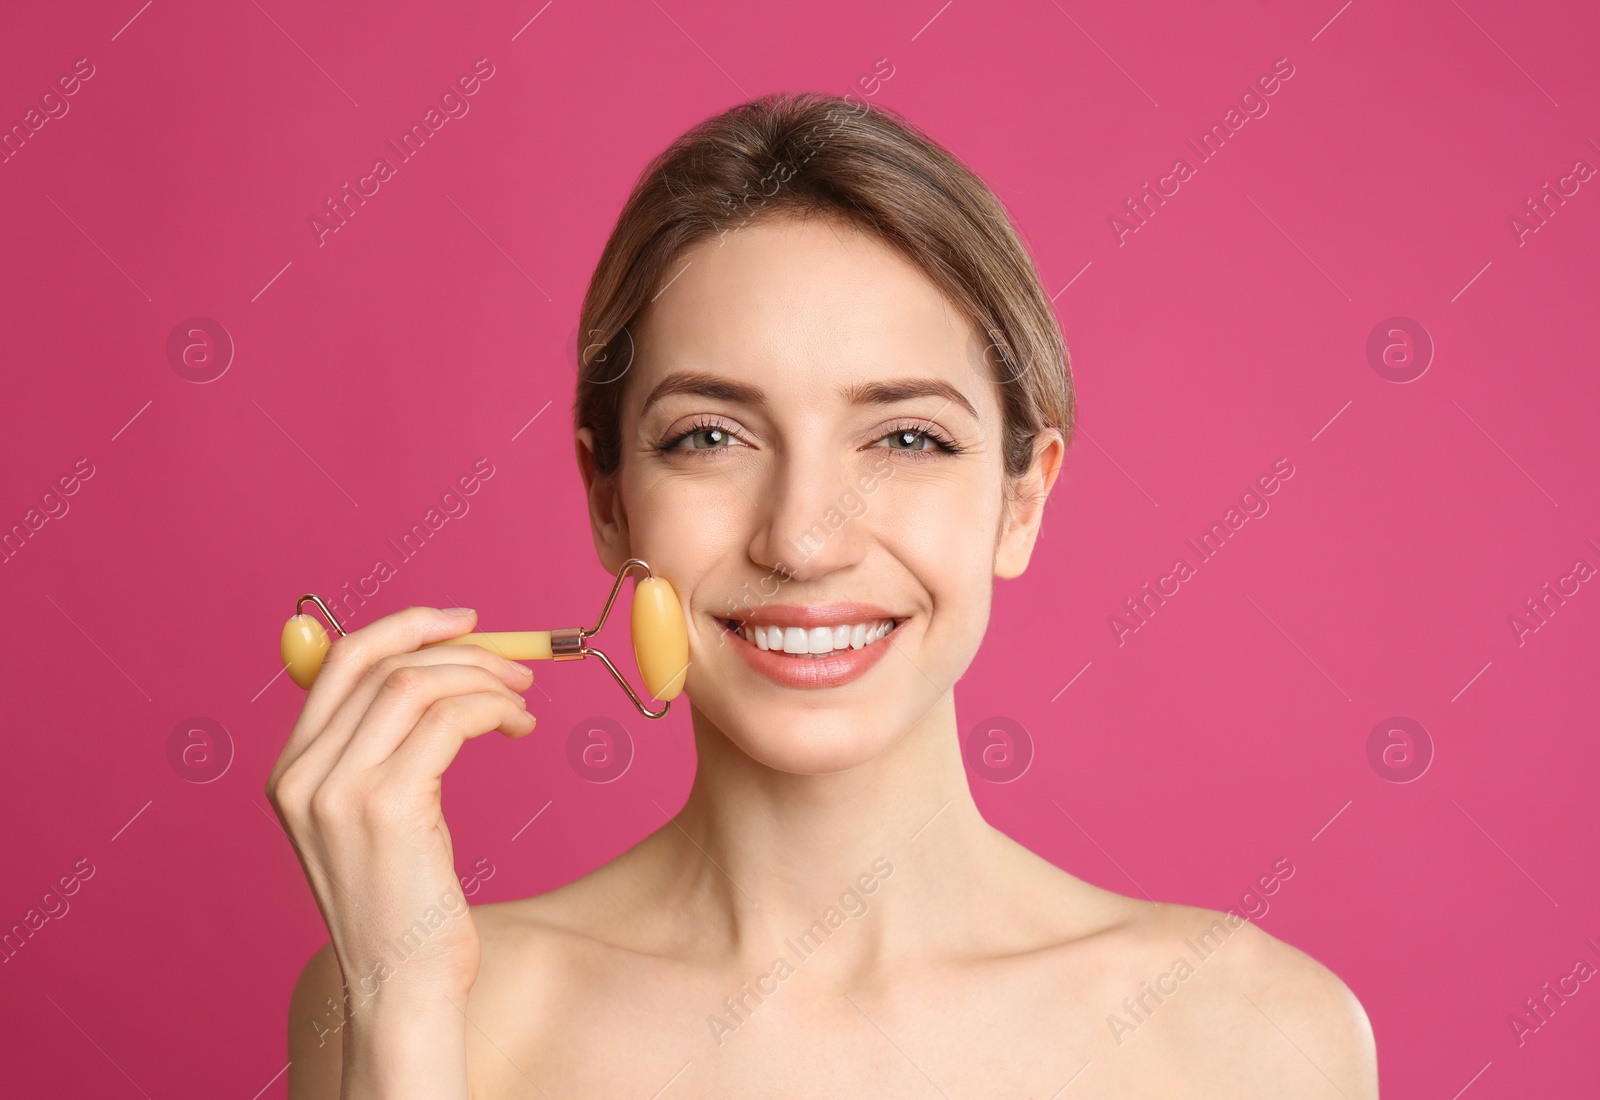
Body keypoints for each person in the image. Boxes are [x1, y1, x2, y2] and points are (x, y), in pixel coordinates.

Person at [267, 91, 1378, 1098]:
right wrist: (400, 993)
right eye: (709, 435)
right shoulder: (424, 996)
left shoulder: (1250, 1035)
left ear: (1021, 501)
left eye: (905, 436)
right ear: (609, 500)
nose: (801, 537)